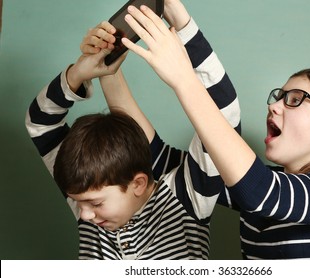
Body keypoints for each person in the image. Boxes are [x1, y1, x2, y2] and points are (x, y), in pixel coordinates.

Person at [119, 4, 310, 259]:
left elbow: (260, 192)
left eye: (294, 99)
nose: (274, 107)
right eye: (278, 97)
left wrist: (184, 80)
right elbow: (162, 162)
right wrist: (111, 72)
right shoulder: (267, 183)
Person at [25, 0, 240, 259]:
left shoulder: (186, 198)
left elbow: (223, 115)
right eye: (79, 201)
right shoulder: (84, 191)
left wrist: (182, 24)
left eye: (96, 203)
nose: (83, 214)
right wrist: (79, 73)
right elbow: (40, 122)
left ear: (138, 183)